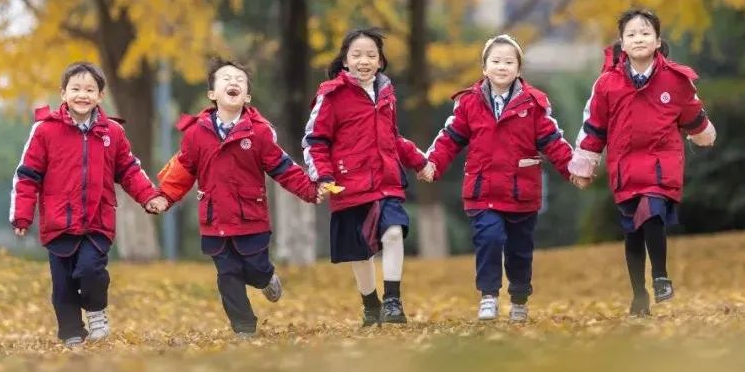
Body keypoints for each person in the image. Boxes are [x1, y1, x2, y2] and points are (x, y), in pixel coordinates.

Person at [154, 60, 327, 339]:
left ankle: (267, 278)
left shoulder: (258, 132)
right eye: (225, 78)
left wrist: (309, 189)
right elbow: (183, 170)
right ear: (212, 93)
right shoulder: (197, 133)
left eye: (239, 79)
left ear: (246, 96)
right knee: (228, 276)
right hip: (215, 220)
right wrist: (165, 197)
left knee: (255, 269)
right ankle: (244, 326)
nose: (232, 82)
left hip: (251, 218)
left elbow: (282, 167)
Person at [568, 9, 716, 316]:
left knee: (652, 213)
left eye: (646, 33)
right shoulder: (607, 84)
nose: (639, 39)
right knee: (632, 233)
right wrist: (584, 165)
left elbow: (692, 113)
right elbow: (595, 127)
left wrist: (703, 134)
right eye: (632, 34)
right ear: (622, 42)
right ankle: (639, 295)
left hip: (662, 165)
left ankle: (660, 276)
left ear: (658, 41)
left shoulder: (676, 80)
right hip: (624, 167)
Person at [10, 62, 166, 348]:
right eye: (76, 89)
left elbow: (130, 170)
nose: (83, 95)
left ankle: (96, 312)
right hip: (58, 223)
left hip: (98, 220)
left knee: (91, 271)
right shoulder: (46, 131)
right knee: (63, 287)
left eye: (90, 90)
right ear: (63, 93)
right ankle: (71, 333)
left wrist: (149, 196)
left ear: (100, 96)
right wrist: (22, 216)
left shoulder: (113, 133)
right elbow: (28, 175)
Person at [421, 34, 575, 322]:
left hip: (522, 193)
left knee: (519, 250)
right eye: (496, 61)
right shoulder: (469, 103)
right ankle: (488, 296)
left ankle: (519, 298)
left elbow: (554, 141)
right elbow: (449, 139)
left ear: (518, 69)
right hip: (482, 190)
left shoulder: (534, 104)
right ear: (484, 68)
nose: (502, 67)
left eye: (508, 62)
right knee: (489, 238)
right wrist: (432, 165)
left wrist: (573, 170)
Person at [302, 28, 429, 326]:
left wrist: (419, 161)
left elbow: (393, 137)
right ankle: (371, 305)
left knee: (394, 232)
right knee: (360, 253)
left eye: (371, 55)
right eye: (356, 55)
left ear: (381, 61)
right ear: (345, 61)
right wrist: (323, 177)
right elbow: (315, 141)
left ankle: (393, 301)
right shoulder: (331, 95)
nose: (364, 60)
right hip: (348, 186)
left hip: (387, 182)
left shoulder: (387, 93)